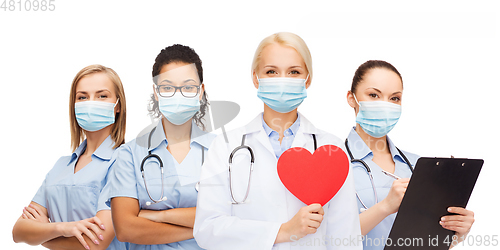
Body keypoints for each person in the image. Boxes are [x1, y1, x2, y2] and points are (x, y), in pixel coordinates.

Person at [193, 32, 361, 249]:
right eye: (271, 72)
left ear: (307, 79)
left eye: (294, 72)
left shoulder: (332, 149)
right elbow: (207, 229)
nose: (282, 80)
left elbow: (346, 238)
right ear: (256, 78)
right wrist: (282, 232)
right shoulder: (226, 146)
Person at [345, 60, 475, 249]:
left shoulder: (418, 166)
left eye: (394, 98)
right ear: (351, 98)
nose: (385, 105)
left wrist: (456, 234)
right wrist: (385, 206)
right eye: (374, 95)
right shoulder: (332, 162)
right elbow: (325, 237)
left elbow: (425, 240)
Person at [108, 44, 215, 249]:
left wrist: (159, 216)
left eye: (188, 87)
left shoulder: (221, 150)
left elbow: (232, 217)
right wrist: (202, 226)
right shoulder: (129, 154)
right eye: (167, 87)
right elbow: (125, 229)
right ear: (156, 93)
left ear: (200, 92)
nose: (178, 94)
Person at [12, 64, 128, 250]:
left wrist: (43, 235)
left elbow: (95, 242)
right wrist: (63, 228)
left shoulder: (124, 161)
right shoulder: (61, 166)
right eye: (82, 97)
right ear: (74, 106)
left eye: (102, 95)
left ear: (118, 106)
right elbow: (18, 232)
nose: (91, 102)